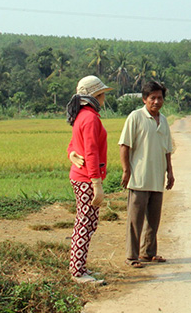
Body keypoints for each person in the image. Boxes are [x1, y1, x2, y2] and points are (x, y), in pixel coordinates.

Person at [119, 80, 175, 268]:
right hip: (139, 178)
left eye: (159, 98)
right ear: (144, 99)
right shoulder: (135, 117)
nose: (156, 102)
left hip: (157, 178)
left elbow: (167, 149)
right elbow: (125, 145)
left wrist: (170, 172)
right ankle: (131, 256)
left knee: (153, 219)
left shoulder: (164, 120)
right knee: (135, 220)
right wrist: (126, 170)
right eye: (152, 98)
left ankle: (148, 252)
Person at [66, 75, 113, 285]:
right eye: (102, 94)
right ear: (95, 96)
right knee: (84, 223)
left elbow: (74, 144)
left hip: (81, 176)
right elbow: (92, 152)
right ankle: (78, 271)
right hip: (86, 179)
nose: (104, 98)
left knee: (87, 223)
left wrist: (71, 154)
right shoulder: (90, 118)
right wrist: (97, 184)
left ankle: (79, 266)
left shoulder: (82, 115)